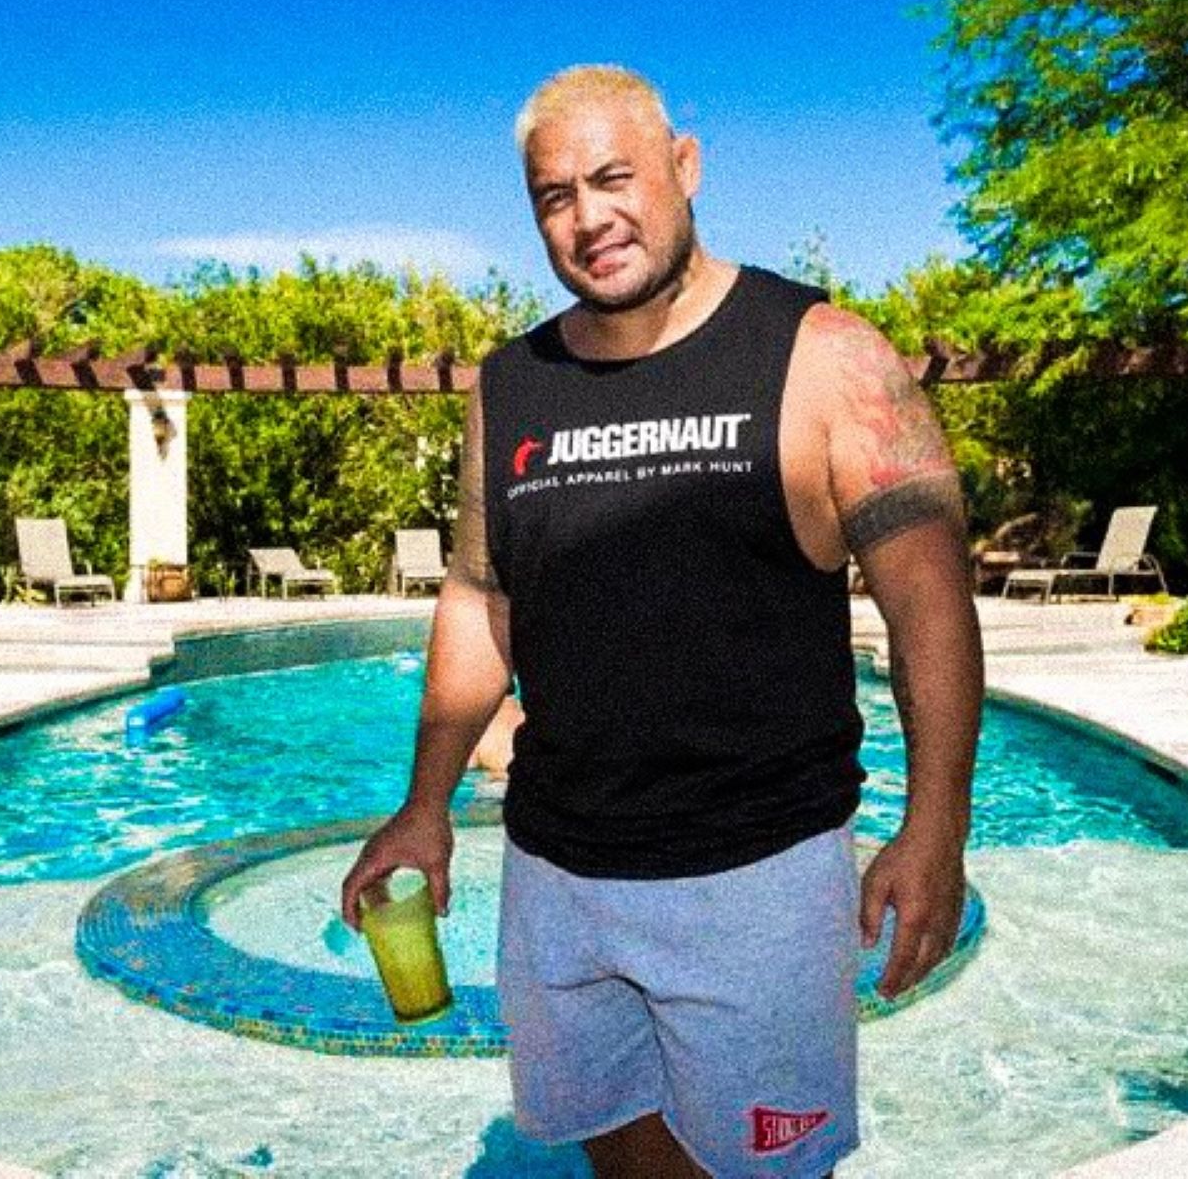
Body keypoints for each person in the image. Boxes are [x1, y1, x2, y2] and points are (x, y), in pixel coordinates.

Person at [340, 64, 984, 1178]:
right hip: (560, 873)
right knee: (621, 1159)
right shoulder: (512, 384)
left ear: (682, 168)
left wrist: (935, 829)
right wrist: (423, 804)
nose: (587, 218)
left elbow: (929, 606)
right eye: (553, 196)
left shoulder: (823, 355)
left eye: (611, 178)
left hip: (756, 879)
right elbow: (480, 597)